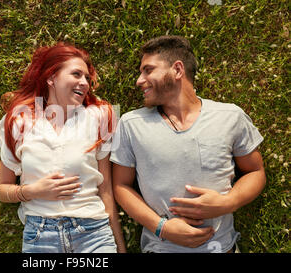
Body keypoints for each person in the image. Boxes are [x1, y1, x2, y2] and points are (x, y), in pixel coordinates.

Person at [110, 35, 266, 253]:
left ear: (177, 69)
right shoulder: (131, 123)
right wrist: (162, 227)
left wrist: (229, 202)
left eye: (148, 70)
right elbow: (120, 186)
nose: (139, 80)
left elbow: (255, 171)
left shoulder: (230, 116)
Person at [0, 42, 126, 253]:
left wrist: (119, 246)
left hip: (93, 232)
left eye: (87, 79)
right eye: (76, 74)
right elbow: (2, 190)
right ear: (51, 77)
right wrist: (33, 191)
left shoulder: (100, 116)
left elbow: (105, 188)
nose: (84, 83)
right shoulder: (20, 121)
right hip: (40, 236)